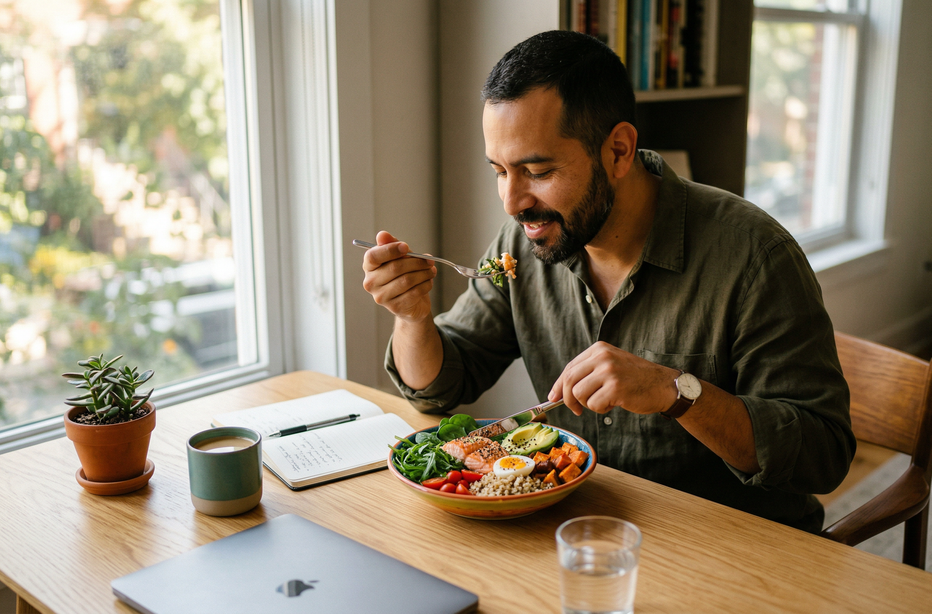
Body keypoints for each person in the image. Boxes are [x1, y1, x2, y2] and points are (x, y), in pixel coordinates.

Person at [360, 30, 854, 532]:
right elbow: (439, 388)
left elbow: (822, 454)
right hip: (583, 529)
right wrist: (412, 318)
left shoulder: (755, 256)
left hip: (736, 548)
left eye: (538, 170)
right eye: (500, 171)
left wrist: (676, 391)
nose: (513, 203)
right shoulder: (524, 243)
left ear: (618, 150)